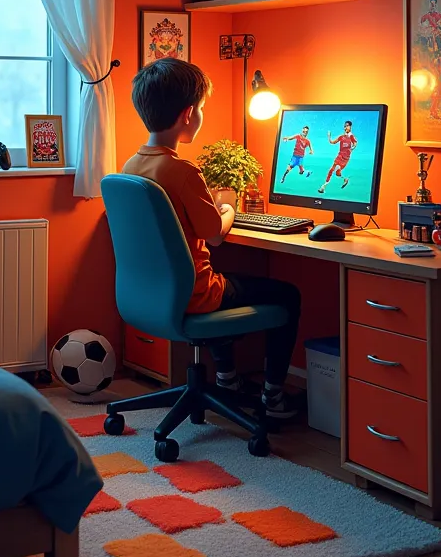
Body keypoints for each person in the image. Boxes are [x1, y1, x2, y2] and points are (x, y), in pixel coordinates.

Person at [123, 57, 300, 420]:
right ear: (188, 114)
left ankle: (227, 380)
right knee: (288, 295)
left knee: (227, 277)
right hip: (197, 296)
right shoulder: (183, 171)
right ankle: (274, 398)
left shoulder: (132, 166)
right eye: (202, 108)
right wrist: (229, 207)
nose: (201, 115)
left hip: (153, 295)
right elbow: (215, 235)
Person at [318, 120, 357, 193]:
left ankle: (323, 187)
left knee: (335, 172)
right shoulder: (341, 137)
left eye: (347, 126)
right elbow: (332, 142)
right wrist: (329, 136)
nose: (345, 127)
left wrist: (351, 149)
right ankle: (324, 186)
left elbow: (355, 143)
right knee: (334, 171)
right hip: (339, 156)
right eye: (345, 126)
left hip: (345, 158)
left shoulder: (351, 136)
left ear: (350, 127)